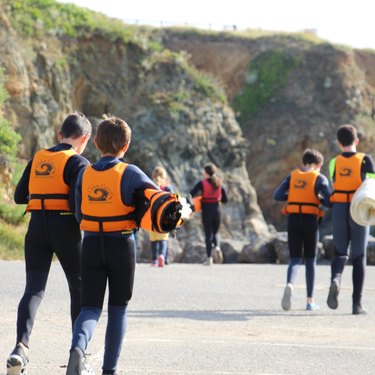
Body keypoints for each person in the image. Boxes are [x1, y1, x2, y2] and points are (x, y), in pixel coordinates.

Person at [66, 116, 184, 375]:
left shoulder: (84, 173)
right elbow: (160, 200)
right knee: (118, 309)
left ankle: (78, 347)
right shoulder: (130, 172)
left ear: (96, 143)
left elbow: (78, 215)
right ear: (126, 146)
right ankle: (110, 370)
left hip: (91, 246)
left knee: (90, 308)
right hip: (122, 244)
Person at [6, 113, 92, 375]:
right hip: (65, 229)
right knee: (78, 289)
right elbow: (80, 201)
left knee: (33, 291)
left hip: (36, 230)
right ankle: (77, 355)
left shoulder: (38, 158)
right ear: (85, 139)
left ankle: (20, 349)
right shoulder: (78, 161)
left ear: (59, 135)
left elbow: (20, 196)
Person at [274, 149, 332, 311]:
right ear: (319, 165)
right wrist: (317, 198)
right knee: (310, 260)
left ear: (303, 164)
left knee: (294, 259)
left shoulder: (293, 175)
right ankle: (309, 300)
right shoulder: (319, 177)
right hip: (310, 220)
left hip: (293, 219)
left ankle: (290, 285)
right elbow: (329, 201)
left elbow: (277, 196)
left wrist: (293, 196)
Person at [327, 124, 375, 315]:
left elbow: (334, 183)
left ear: (339, 143)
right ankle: (356, 304)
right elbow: (370, 188)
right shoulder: (366, 160)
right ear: (356, 141)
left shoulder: (334, 162)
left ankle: (336, 279)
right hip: (358, 210)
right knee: (359, 256)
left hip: (339, 208)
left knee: (340, 253)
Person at [189, 162, 228, 266]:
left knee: (208, 234)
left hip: (206, 209)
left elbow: (191, 194)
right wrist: (218, 201)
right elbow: (226, 198)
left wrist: (194, 204)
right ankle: (218, 247)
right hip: (217, 208)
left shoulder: (202, 183)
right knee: (216, 232)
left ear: (206, 173)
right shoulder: (220, 182)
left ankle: (209, 259)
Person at [149, 166, 174, 267]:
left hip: (152, 217)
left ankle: (154, 260)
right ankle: (162, 256)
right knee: (163, 238)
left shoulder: (150, 187)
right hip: (164, 217)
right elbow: (173, 201)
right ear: (164, 177)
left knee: (153, 240)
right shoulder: (168, 188)